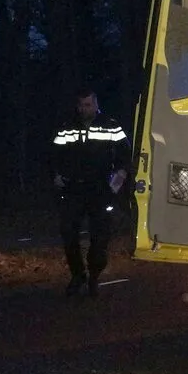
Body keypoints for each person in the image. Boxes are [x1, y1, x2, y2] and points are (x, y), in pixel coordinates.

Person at [52, 88, 128, 296]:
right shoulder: (67, 127)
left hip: (100, 189)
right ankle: (78, 274)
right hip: (73, 187)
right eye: (81, 105)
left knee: (100, 236)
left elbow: (124, 153)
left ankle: (94, 275)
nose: (84, 109)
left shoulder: (110, 125)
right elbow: (55, 154)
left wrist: (121, 173)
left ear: (96, 104)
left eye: (88, 105)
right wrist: (56, 175)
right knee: (68, 231)